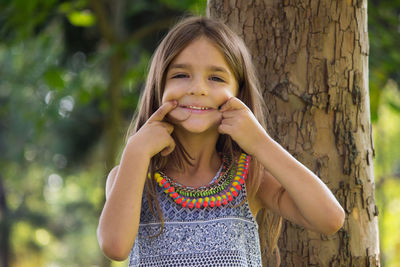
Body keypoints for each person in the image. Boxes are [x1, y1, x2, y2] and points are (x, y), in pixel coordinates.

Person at [97, 16, 345, 267]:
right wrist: (136, 151)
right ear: (159, 87)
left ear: (238, 93)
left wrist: (259, 142)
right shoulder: (131, 176)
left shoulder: (249, 180)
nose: (198, 89)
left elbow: (330, 219)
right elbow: (115, 247)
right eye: (181, 75)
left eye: (216, 78)